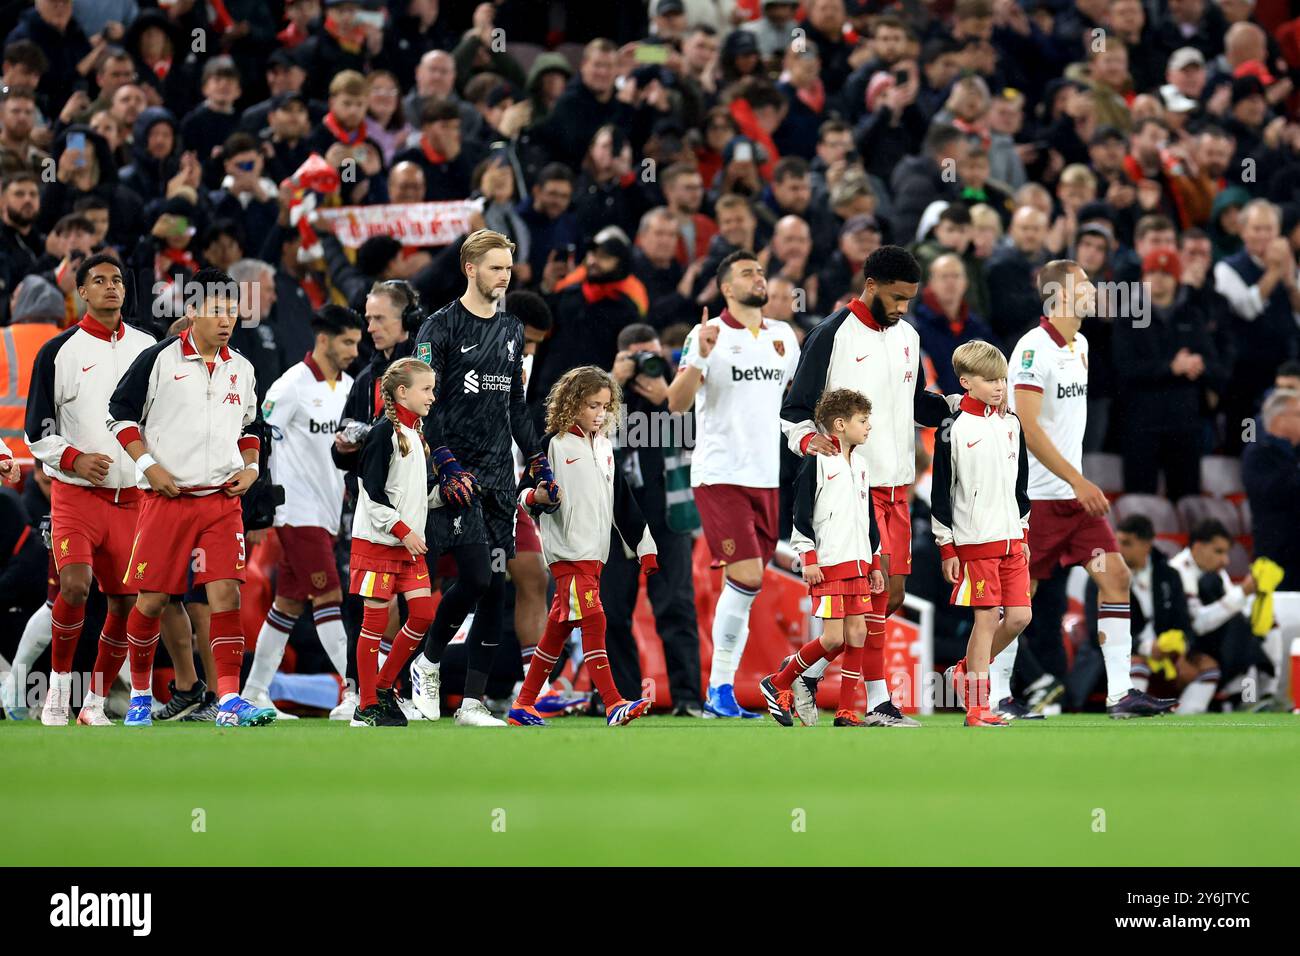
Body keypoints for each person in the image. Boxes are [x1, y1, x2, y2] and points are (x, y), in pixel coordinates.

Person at [780, 245, 950, 727]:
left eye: (910, 300)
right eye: (896, 298)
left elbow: (913, 403)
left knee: (890, 595)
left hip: (898, 485)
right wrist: (810, 442)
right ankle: (873, 703)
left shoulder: (910, 338)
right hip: (852, 488)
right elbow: (794, 409)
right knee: (869, 597)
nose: (902, 308)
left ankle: (805, 678)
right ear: (869, 285)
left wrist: (956, 405)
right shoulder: (831, 334)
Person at [1006, 259, 1176, 718]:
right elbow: (1028, 427)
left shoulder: (1079, 345)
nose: (1095, 292)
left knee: (1115, 577)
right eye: (1084, 285)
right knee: (1021, 598)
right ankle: (995, 694)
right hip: (1038, 498)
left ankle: (1120, 694)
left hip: (1074, 502)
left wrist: (1076, 483)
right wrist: (1076, 479)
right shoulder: (1031, 350)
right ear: (1060, 296)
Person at [106, 267, 273, 729]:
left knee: (225, 597)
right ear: (193, 311)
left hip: (221, 501)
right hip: (167, 499)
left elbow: (250, 427)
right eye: (218, 311)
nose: (227, 321)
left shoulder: (242, 367)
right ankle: (140, 694)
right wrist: (148, 467)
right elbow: (119, 414)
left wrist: (251, 468)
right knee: (153, 601)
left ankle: (230, 699)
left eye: (233, 312)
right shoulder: (158, 360)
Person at [407, 229, 554, 728]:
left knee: (494, 586)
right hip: (453, 472)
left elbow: (515, 404)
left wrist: (537, 462)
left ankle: (473, 702)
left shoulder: (513, 331)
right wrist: (444, 462)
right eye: (496, 267)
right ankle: (425, 666)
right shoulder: (438, 327)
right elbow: (423, 404)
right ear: (470, 268)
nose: (504, 276)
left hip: (497, 477)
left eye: (508, 268)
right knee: (473, 576)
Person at [667, 249, 801, 719]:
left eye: (762, 271)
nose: (759, 277)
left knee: (746, 586)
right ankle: (718, 690)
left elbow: (789, 405)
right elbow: (676, 404)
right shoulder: (709, 334)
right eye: (748, 272)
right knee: (747, 575)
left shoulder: (785, 337)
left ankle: (718, 692)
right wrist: (699, 358)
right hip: (720, 473)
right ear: (726, 288)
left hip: (766, 477)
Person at [23, 253, 155, 726]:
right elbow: (36, 431)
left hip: (133, 498)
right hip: (76, 494)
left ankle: (94, 702)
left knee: (126, 602)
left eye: (117, 280)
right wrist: (77, 459)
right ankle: (58, 693)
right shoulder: (58, 351)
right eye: (98, 281)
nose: (110, 288)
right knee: (75, 586)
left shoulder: (149, 347)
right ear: (80, 292)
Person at [507, 366, 657, 728]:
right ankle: (613, 702)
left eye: (606, 407)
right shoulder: (552, 445)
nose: (600, 414)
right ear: (572, 405)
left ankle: (523, 705)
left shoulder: (605, 447)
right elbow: (522, 494)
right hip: (569, 553)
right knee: (595, 620)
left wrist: (645, 546)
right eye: (593, 406)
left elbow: (623, 502)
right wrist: (536, 496)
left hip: (596, 555)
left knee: (557, 631)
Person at [241, 305, 362, 717]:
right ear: (323, 340)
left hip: (328, 510)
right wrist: (259, 504)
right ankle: (357, 692)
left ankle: (255, 691)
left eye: (357, 342)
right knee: (328, 595)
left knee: (288, 605)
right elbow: (258, 435)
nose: (353, 350)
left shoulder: (349, 387)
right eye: (347, 341)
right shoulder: (289, 385)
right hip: (295, 509)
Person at [761, 388, 885, 727]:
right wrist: (809, 557)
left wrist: (874, 562)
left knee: (857, 634)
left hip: (859, 564)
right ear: (841, 424)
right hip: (829, 563)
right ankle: (779, 682)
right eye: (863, 421)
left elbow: (868, 519)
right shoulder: (817, 461)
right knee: (833, 638)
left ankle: (846, 710)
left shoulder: (861, 465)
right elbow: (801, 513)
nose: (869, 427)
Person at [931, 341, 1033, 727]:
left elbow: (1020, 485)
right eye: (990, 380)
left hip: (1011, 538)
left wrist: (1022, 532)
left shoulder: (1012, 423)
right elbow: (941, 492)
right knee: (986, 619)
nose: (999, 387)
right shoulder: (953, 428)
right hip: (974, 541)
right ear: (965, 382)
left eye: (1003, 380)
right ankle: (977, 706)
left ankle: (964, 671)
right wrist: (947, 548)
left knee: (1020, 617)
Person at [604, 323, 702, 717]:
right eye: (638, 357)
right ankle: (624, 699)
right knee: (611, 612)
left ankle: (689, 699)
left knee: (676, 607)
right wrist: (613, 381)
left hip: (669, 516)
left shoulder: (677, 390)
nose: (648, 364)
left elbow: (698, 440)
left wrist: (669, 400)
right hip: (614, 520)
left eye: (655, 356)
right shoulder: (603, 393)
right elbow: (582, 436)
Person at [348, 358, 443, 727]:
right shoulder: (381, 434)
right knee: (375, 621)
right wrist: (404, 530)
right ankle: (366, 705)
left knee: (423, 615)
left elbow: (411, 495)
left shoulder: (418, 435)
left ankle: (384, 687)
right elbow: (369, 495)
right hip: (380, 544)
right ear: (402, 392)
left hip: (407, 545)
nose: (432, 397)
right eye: (426, 389)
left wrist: (443, 496)